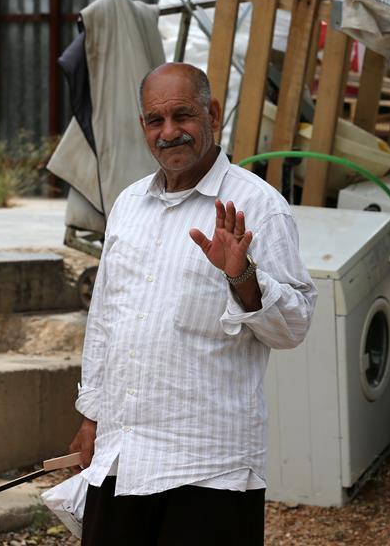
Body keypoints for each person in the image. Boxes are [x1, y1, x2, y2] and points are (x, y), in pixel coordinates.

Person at [68, 62, 316, 545]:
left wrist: (243, 277)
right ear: (142, 126)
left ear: (213, 114)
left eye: (182, 116)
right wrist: (90, 417)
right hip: (123, 455)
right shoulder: (127, 206)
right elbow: (104, 322)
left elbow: (295, 327)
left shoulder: (258, 206)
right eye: (155, 121)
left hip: (209, 464)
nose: (169, 133)